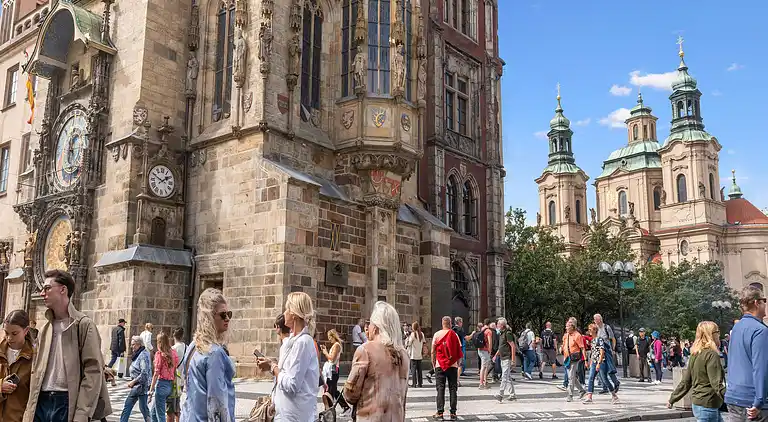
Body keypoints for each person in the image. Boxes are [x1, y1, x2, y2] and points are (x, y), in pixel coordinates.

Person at [23, 269, 111, 422]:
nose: (43, 293)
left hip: (66, 401)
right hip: (41, 401)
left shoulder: (83, 325)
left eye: (47, 288)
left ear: (63, 289)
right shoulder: (45, 328)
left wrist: (82, 414)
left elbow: (93, 372)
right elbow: (36, 370)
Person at [256, 292, 318, 422]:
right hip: (285, 413)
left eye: (287, 309)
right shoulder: (292, 341)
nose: (284, 313)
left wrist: (273, 367)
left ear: (294, 314)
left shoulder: (303, 342)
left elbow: (292, 385)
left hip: (295, 416)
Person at [343, 301, 409, 422]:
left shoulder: (366, 350)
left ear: (377, 327)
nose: (369, 327)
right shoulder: (404, 355)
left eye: (371, 323)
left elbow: (350, 393)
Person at [180, 288, 235, 422]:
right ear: (209, 317)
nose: (227, 318)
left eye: (229, 314)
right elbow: (217, 404)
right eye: (222, 315)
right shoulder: (215, 353)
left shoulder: (194, 345)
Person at [724, 285, 768, 422]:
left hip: (734, 397)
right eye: (764, 300)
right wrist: (759, 401)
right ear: (756, 303)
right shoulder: (760, 330)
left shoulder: (736, 328)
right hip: (752, 401)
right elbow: (760, 368)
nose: (765, 305)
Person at [667, 321, 725, 422]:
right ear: (711, 335)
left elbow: (686, 381)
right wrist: (734, 400)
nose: (719, 335)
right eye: (718, 332)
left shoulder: (695, 353)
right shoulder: (711, 355)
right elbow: (716, 384)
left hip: (698, 404)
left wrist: (672, 399)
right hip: (708, 404)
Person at [0, 310, 34, 422]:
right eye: (6, 333)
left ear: (26, 331)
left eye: (14, 333)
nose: (9, 338)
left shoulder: (35, 358)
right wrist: (1, 386)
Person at [431, 316, 463, 421]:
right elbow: (459, 350)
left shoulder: (437, 334)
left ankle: (440, 412)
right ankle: (453, 413)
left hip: (440, 365)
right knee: (453, 389)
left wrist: (433, 363)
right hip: (452, 365)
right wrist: (457, 363)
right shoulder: (455, 335)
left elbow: (433, 351)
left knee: (440, 388)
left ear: (442, 323)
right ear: (450, 323)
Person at [582, 324, 620, 405]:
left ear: (595, 330)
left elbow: (602, 351)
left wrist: (599, 363)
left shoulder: (599, 339)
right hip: (594, 362)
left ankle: (614, 395)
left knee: (604, 379)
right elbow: (593, 352)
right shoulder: (592, 340)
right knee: (591, 378)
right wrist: (591, 361)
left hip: (601, 362)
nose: (589, 331)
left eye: (590, 329)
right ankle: (589, 397)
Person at [121, 336, 152, 422]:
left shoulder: (143, 355)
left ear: (139, 344)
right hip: (138, 386)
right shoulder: (139, 353)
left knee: (129, 406)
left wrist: (133, 381)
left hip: (140, 386)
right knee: (143, 409)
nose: (132, 346)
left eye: (133, 344)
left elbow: (144, 373)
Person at [320, 329, 350, 416]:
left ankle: (329, 411)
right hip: (332, 371)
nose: (329, 339)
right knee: (334, 391)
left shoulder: (336, 345)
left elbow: (332, 359)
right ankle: (345, 407)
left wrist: (325, 352)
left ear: (333, 336)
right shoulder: (335, 345)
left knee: (330, 391)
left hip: (333, 371)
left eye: (330, 337)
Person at [149, 333, 178, 422]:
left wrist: (151, 389)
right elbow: (175, 369)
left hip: (161, 384)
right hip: (170, 384)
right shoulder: (173, 352)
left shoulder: (159, 354)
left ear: (159, 342)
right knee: (153, 413)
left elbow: (156, 373)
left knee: (160, 415)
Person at [562, 317, 586, 402]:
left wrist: (585, 360)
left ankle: (570, 395)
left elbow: (582, 348)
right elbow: (564, 344)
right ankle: (582, 390)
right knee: (571, 377)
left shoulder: (577, 335)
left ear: (572, 327)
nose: (566, 328)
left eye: (567, 326)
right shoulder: (566, 335)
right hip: (567, 358)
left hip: (574, 358)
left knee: (571, 377)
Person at [493, 318, 517, 403]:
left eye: (498, 324)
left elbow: (513, 346)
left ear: (502, 325)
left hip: (507, 358)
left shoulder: (508, 333)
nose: (497, 326)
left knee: (504, 376)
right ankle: (512, 395)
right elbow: (501, 346)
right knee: (508, 377)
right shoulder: (501, 334)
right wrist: (496, 355)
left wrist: (513, 360)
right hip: (503, 358)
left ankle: (500, 394)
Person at [167, 328, 186, 422]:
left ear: (173, 336)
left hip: (173, 379)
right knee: (177, 403)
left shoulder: (173, 349)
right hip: (182, 378)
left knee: (171, 406)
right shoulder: (186, 347)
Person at [406, 321, 425, 388]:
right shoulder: (421, 334)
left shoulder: (413, 334)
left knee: (413, 370)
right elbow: (424, 342)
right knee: (419, 370)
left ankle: (414, 383)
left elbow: (409, 344)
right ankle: (420, 383)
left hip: (413, 355)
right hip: (419, 355)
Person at [475, 319, 493, 389]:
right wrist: (490, 350)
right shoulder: (488, 331)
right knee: (484, 367)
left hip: (480, 349)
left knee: (485, 366)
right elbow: (490, 341)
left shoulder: (481, 329)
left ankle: (485, 382)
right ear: (489, 324)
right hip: (485, 350)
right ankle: (481, 383)